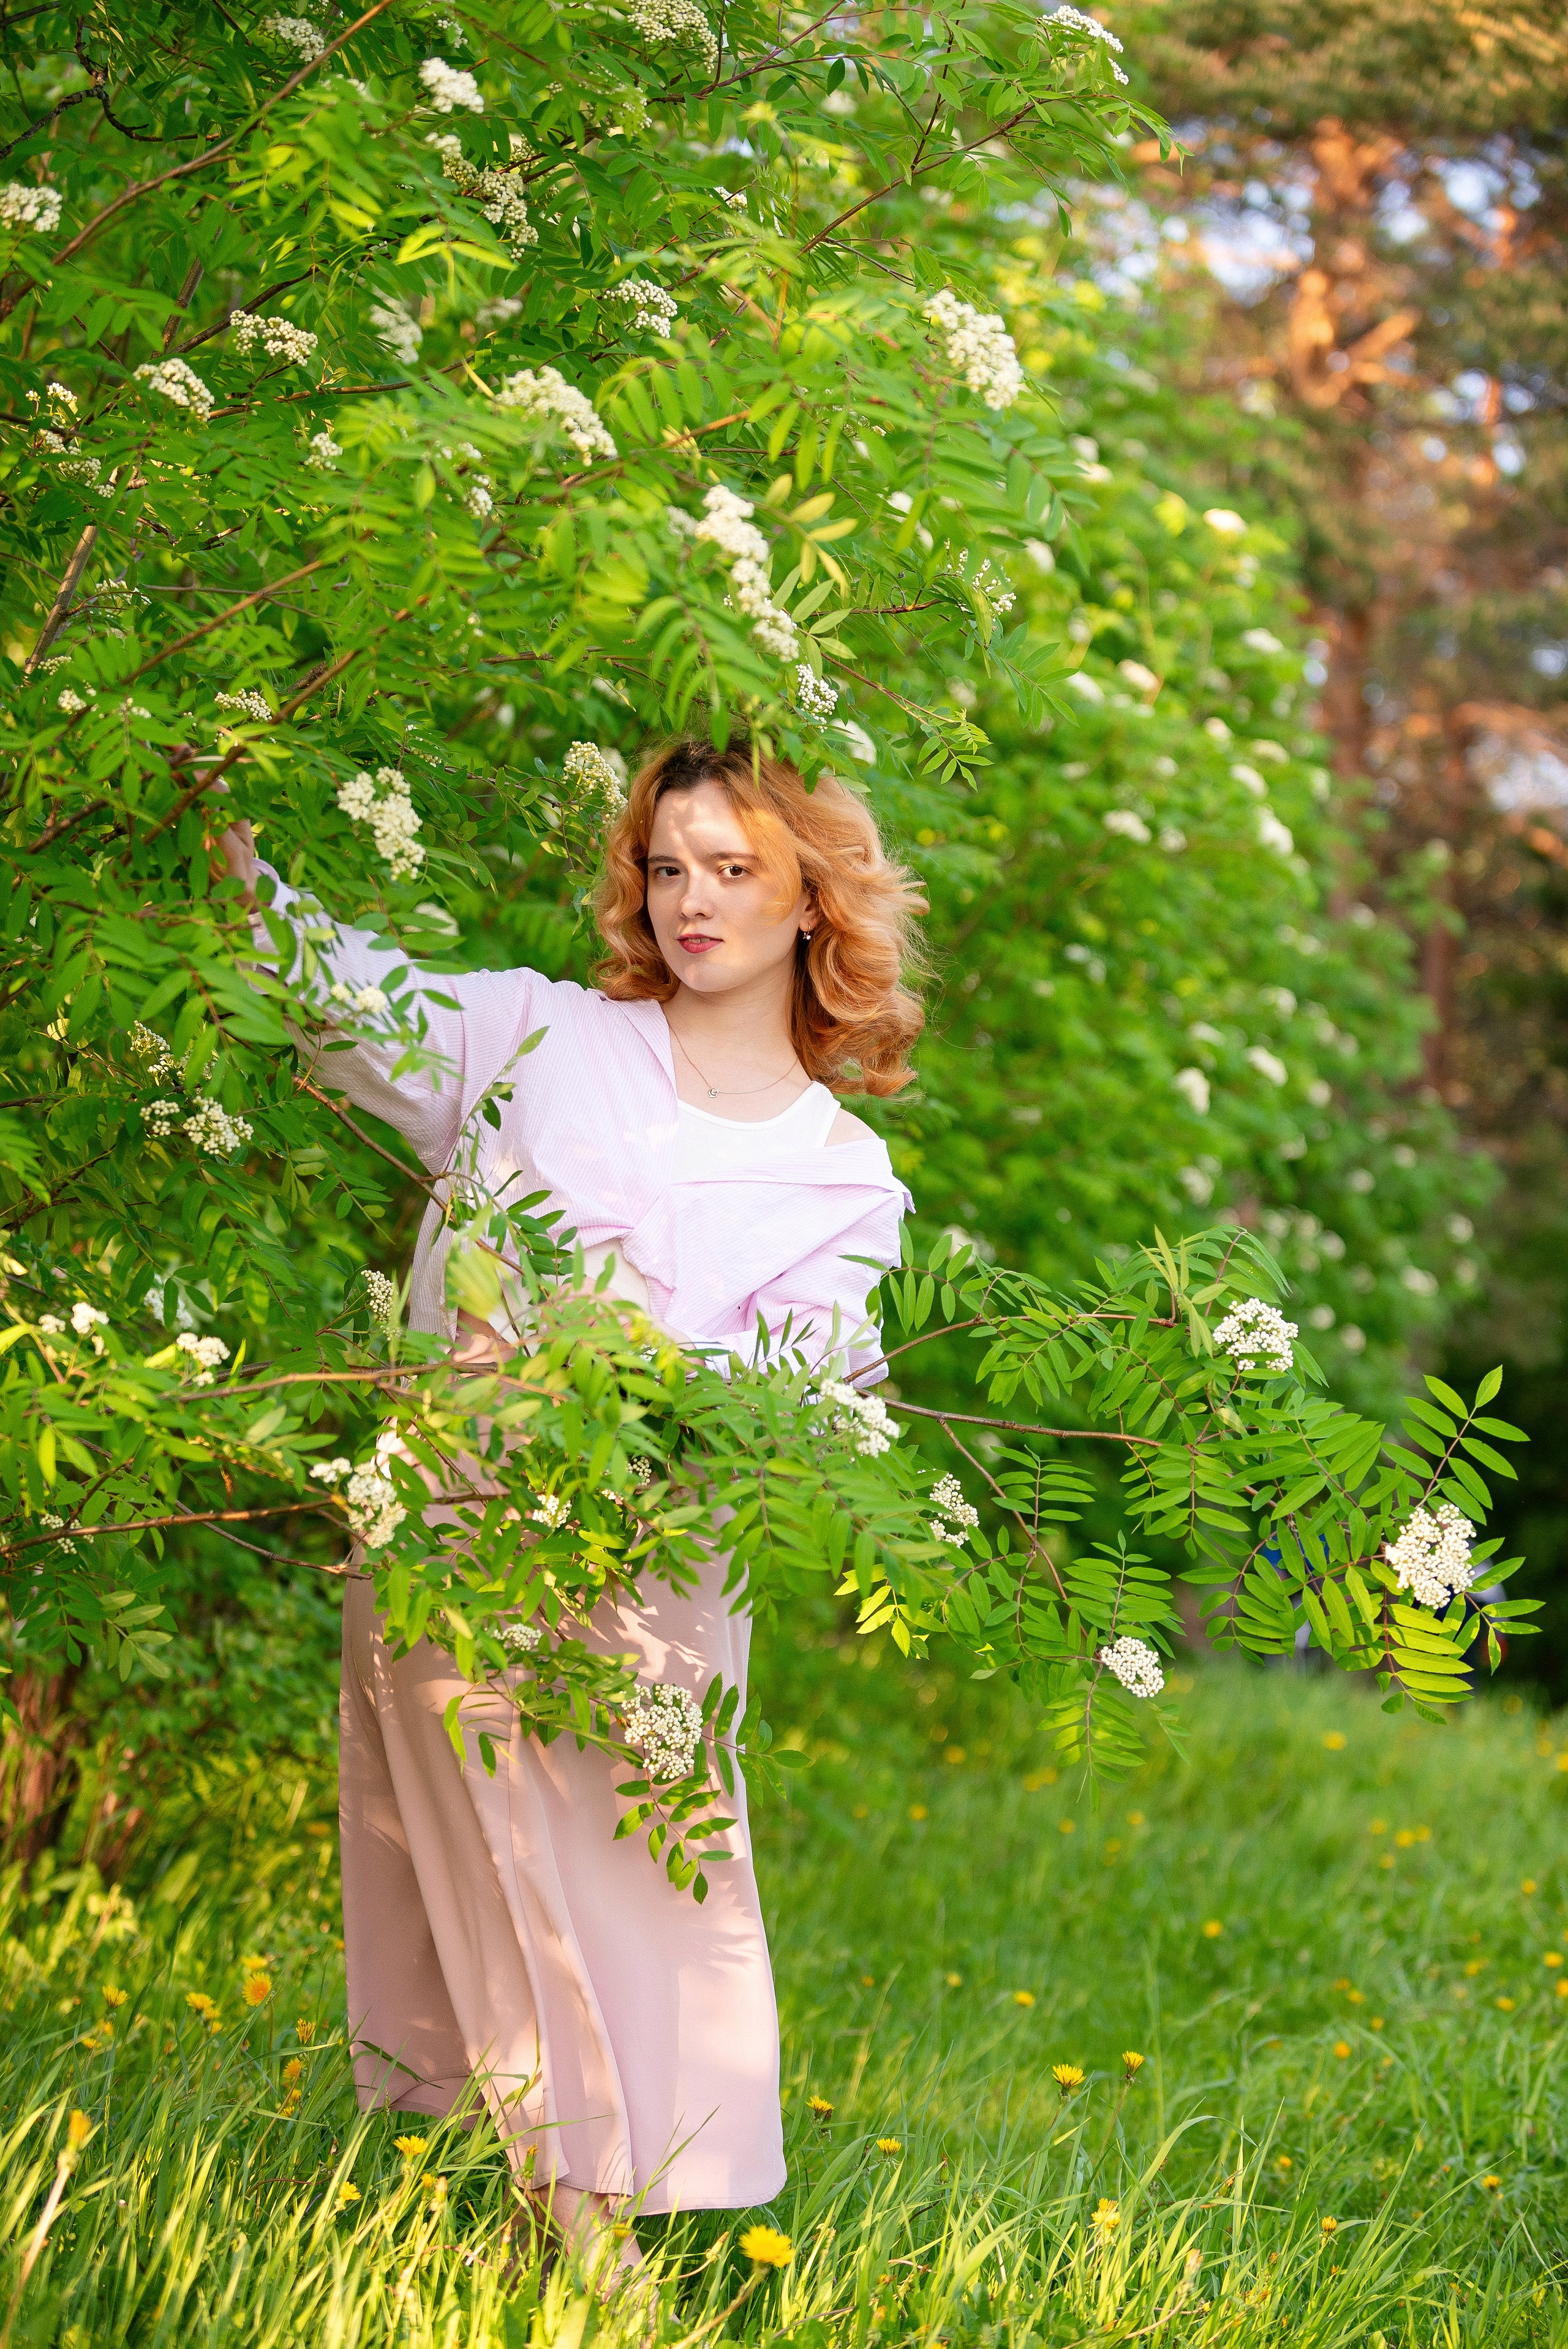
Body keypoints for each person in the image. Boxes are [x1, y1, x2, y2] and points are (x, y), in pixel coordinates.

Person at [217, 736, 925, 2273]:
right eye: (668, 866)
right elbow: (335, 992)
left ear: (810, 899)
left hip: (652, 1568)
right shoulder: (537, 1036)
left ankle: (611, 2206)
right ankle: (587, 2248)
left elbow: (796, 1396)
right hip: (460, 1529)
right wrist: (209, 825)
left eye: (733, 868)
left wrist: (638, 1361)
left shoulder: (845, 1172)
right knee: (495, 1855)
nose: (691, 899)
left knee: (646, 1875)